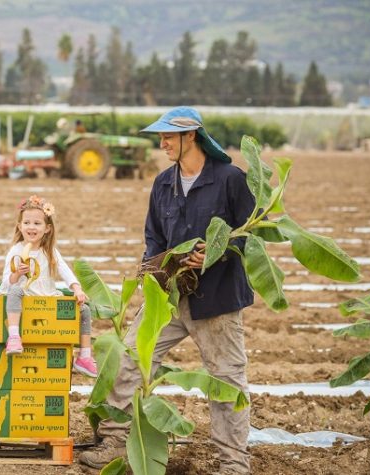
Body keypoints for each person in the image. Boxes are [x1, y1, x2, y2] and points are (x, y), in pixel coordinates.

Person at [79, 106, 255, 474]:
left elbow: (251, 235)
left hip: (218, 299)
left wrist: (216, 253)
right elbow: (153, 236)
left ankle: (234, 464)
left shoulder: (229, 180)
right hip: (171, 296)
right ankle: (115, 442)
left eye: (167, 137)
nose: (162, 144)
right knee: (127, 357)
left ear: (191, 136)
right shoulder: (163, 183)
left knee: (226, 380)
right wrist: (156, 268)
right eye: (160, 137)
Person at [0, 195, 97, 378]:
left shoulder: (49, 251)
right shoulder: (17, 251)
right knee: (15, 290)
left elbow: (65, 271)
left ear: (47, 228)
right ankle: (14, 337)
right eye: (27, 222)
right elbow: (6, 282)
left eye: (37, 223)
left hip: (46, 296)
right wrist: (18, 273)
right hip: (24, 296)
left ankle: (84, 356)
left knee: (84, 310)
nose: (31, 227)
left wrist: (77, 288)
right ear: (20, 226)